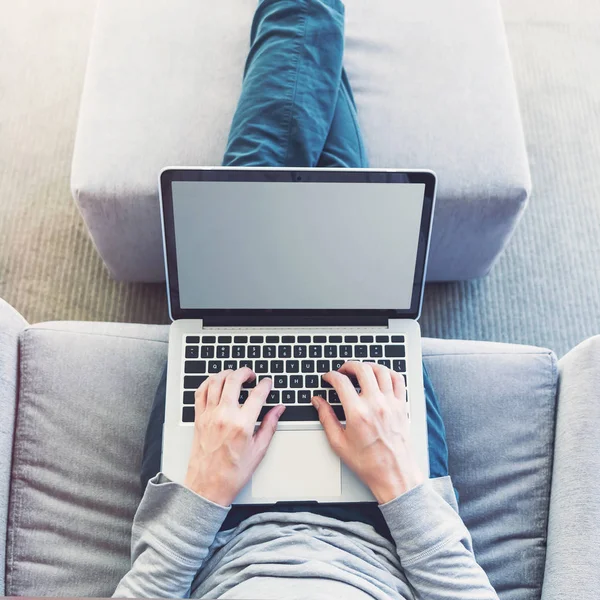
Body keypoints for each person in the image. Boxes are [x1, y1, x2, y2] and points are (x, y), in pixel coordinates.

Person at [114, 0, 498, 597]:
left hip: (215, 527)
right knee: (338, 215)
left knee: (260, 179)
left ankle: (305, 15)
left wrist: (206, 489)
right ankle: (308, 17)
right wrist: (396, 475)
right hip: (389, 523)